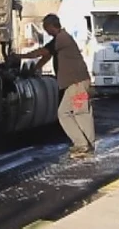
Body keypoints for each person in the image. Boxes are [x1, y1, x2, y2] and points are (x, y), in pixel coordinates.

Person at [9, 13, 96, 158]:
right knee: (72, 113)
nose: (45, 31)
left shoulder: (62, 38)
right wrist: (35, 69)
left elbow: (42, 52)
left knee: (76, 113)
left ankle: (83, 145)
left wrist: (19, 57)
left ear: (52, 26)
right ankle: (86, 144)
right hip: (75, 83)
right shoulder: (59, 39)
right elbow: (47, 56)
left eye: (46, 28)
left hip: (77, 84)